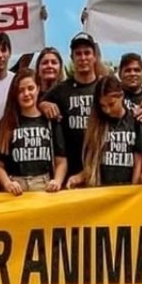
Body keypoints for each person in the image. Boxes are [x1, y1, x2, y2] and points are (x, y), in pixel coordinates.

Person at [66, 75, 142, 188]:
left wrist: (133, 187)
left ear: (121, 96)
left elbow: (139, 158)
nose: (107, 110)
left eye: (111, 104)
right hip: (101, 187)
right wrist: (79, 177)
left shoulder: (135, 119)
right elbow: (92, 163)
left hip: (127, 185)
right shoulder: (97, 124)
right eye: (103, 106)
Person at [0, 69, 66, 194]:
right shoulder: (6, 124)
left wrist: (58, 181)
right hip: (16, 187)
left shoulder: (50, 121)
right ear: (15, 94)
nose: (26, 93)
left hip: (45, 185)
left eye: (30, 88)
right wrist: (7, 183)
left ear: (38, 89)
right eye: (21, 90)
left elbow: (61, 161)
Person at [40, 32, 100, 178]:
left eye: (87, 53)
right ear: (72, 58)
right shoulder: (60, 89)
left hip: (100, 167)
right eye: (78, 54)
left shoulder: (104, 87)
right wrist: (43, 105)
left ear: (95, 57)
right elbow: (35, 105)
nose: (83, 58)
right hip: (69, 169)